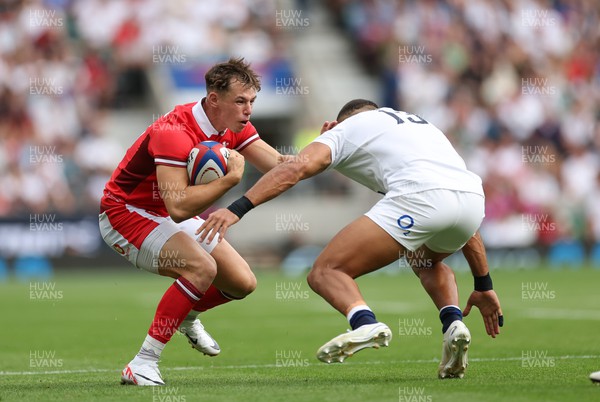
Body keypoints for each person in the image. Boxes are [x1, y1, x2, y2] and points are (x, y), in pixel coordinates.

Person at [197, 99, 504, 379]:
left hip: (420, 197)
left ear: (338, 122)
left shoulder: (347, 128)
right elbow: (458, 207)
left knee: (325, 272)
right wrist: (483, 285)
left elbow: (296, 167)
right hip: (471, 200)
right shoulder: (417, 124)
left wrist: (237, 208)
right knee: (426, 259)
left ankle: (365, 323)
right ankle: (453, 323)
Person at [99, 57, 287, 386]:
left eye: (252, 102)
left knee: (242, 283)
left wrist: (331, 148)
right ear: (214, 99)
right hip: (124, 213)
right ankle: (143, 362)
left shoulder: (234, 126)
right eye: (240, 101)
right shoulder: (173, 131)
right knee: (202, 269)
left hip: (161, 214)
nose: (248, 110)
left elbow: (283, 166)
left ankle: (187, 314)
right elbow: (178, 208)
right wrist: (231, 180)